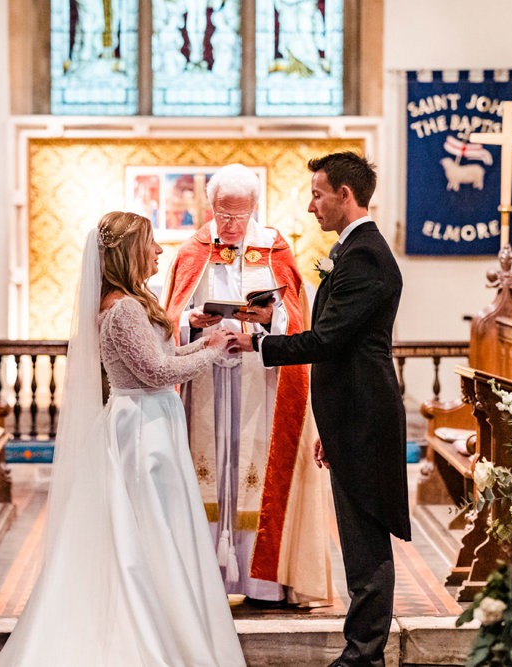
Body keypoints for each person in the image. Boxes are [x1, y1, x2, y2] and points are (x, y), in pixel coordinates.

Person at [0, 212, 245, 666]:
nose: (160, 251)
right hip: (142, 429)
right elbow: (156, 373)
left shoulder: (132, 301)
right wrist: (209, 354)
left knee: (159, 529)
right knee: (147, 532)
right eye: (152, 243)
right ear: (130, 251)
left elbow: (162, 356)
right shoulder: (123, 307)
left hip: (151, 420)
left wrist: (208, 340)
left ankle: (164, 618)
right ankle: (144, 633)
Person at [231, 152, 411, 667]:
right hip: (352, 414)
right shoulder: (354, 250)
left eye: (317, 194)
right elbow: (336, 333)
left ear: (345, 195)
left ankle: (365, 655)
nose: (311, 206)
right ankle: (362, 651)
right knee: (358, 538)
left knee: (366, 536)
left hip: (366, 414)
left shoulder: (366, 256)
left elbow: (330, 339)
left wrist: (258, 344)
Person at [163, 163, 330, 605]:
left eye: (240, 215)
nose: (231, 225)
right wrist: (189, 321)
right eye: (223, 214)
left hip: (260, 381)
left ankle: (261, 582)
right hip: (205, 381)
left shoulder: (275, 249)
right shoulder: (191, 250)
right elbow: (167, 318)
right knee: (209, 468)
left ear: (256, 208)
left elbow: (296, 319)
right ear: (211, 206)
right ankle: (204, 580)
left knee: (254, 471)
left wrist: (262, 325)